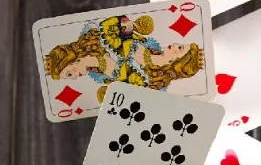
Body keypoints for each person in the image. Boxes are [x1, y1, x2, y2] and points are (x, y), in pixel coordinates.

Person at [44, 14, 204, 102]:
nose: (175, 44)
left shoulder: (153, 79)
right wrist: (129, 25)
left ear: (176, 61)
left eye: (180, 48)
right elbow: (113, 24)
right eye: (69, 76)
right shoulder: (94, 43)